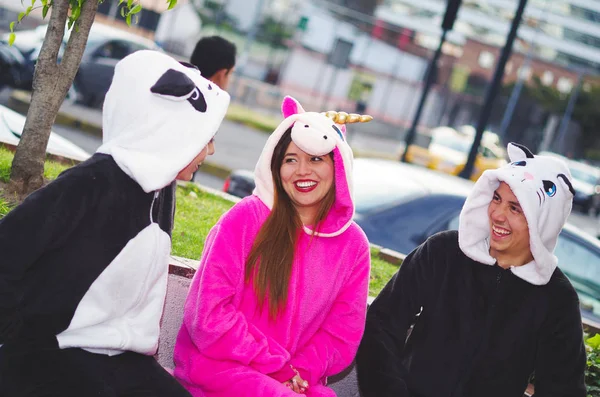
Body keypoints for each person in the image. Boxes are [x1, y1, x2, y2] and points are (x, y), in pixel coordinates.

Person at [0, 50, 230, 396]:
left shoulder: (161, 186)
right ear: (166, 129)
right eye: (204, 138)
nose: (209, 152)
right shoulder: (89, 185)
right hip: (52, 355)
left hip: (120, 359)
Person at [173, 96, 372, 397]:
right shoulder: (245, 218)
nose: (302, 171)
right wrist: (276, 367)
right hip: (220, 369)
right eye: (291, 159)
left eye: (316, 159)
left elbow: (341, 334)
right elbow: (209, 315)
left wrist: (298, 373)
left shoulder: (353, 246)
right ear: (275, 166)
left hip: (296, 381)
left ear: (338, 166)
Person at [356, 143, 587, 397]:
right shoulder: (442, 252)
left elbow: (564, 390)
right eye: (497, 199)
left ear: (542, 221)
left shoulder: (557, 299)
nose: (497, 214)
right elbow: (381, 326)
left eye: (515, 208)